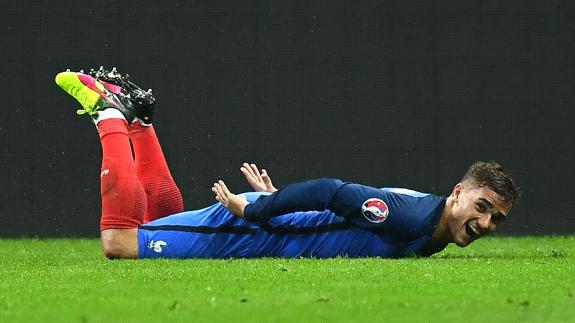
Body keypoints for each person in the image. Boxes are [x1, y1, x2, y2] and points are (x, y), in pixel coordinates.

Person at [55, 67, 520, 259]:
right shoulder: (415, 216)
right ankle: (111, 114)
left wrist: (275, 201)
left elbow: (334, 215)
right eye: (482, 206)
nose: (486, 222)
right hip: (252, 231)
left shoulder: (433, 225)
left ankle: (139, 117)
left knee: (159, 219)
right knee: (119, 241)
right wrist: (257, 209)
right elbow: (331, 192)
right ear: (458, 192)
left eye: (496, 218)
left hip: (271, 221)